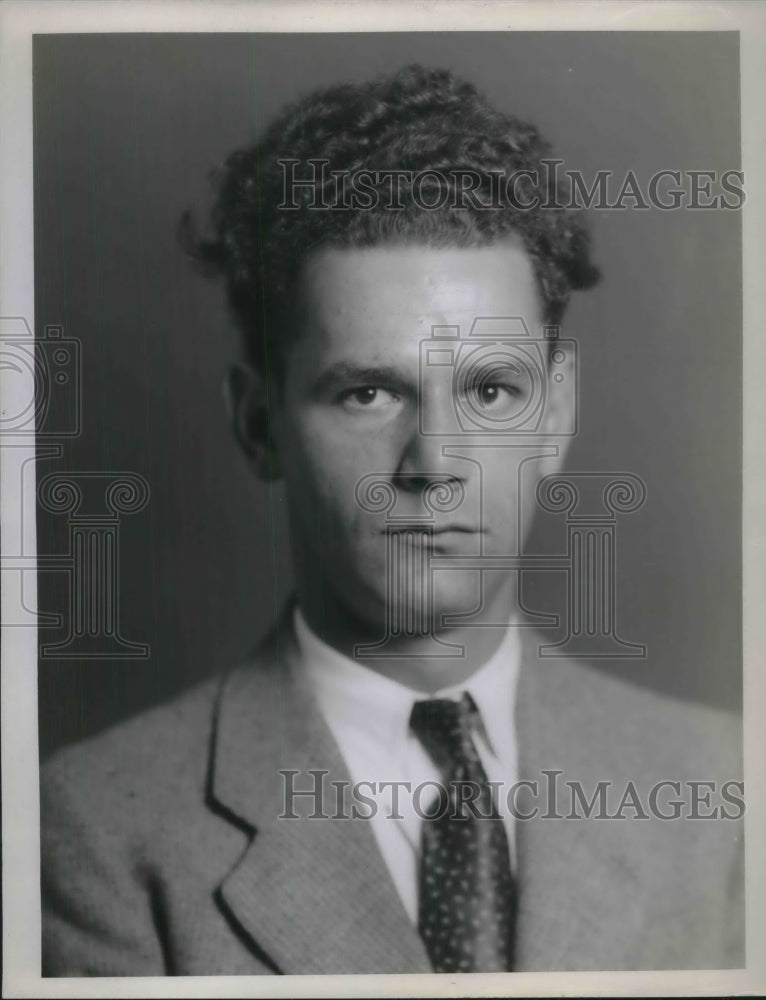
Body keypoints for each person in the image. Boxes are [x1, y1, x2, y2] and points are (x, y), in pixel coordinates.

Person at [41, 64, 743, 976]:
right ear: (259, 425)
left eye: (491, 390)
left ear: (556, 415)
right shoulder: (93, 834)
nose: (435, 464)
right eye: (368, 392)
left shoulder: (727, 791)